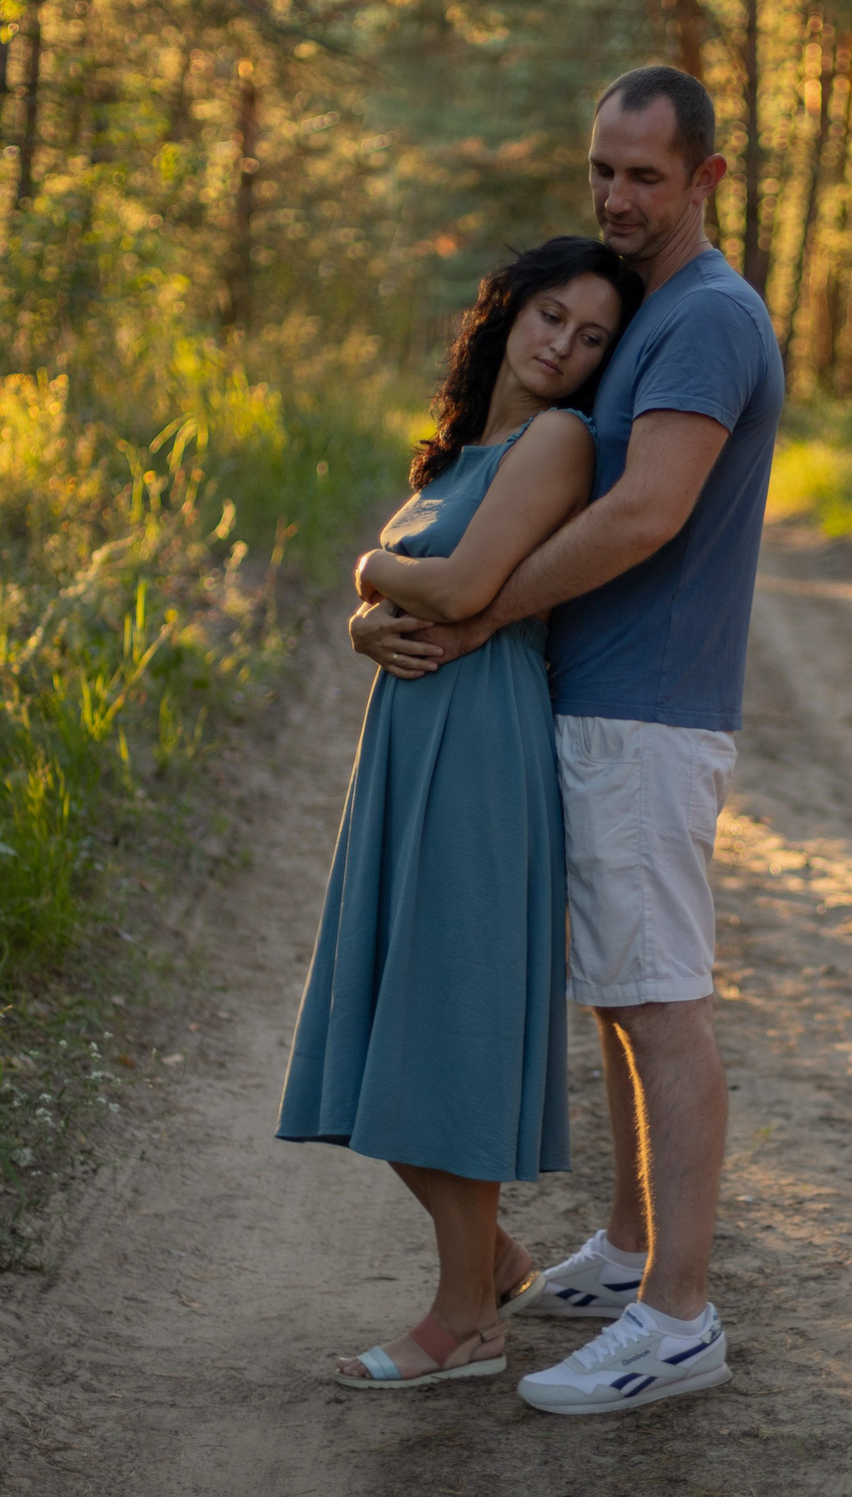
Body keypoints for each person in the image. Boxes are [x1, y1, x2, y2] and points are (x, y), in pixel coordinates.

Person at [351, 65, 785, 1416]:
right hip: (598, 702)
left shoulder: (705, 316)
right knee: (619, 991)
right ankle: (633, 1246)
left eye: (647, 175)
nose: (618, 196)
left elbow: (646, 512)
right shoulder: (652, 307)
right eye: (604, 168)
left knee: (658, 1001)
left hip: (645, 711)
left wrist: (479, 612)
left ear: (707, 178)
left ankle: (678, 1319)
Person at [277, 236, 644, 1391]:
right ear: (506, 312)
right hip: (413, 738)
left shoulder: (559, 440)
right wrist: (366, 616)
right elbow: (420, 583)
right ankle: (490, 1264)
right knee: (384, 1013)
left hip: (481, 739)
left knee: (445, 1016)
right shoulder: (464, 450)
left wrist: (365, 572)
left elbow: (464, 586)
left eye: (592, 337)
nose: (564, 346)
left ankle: (466, 1322)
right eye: (550, 315)